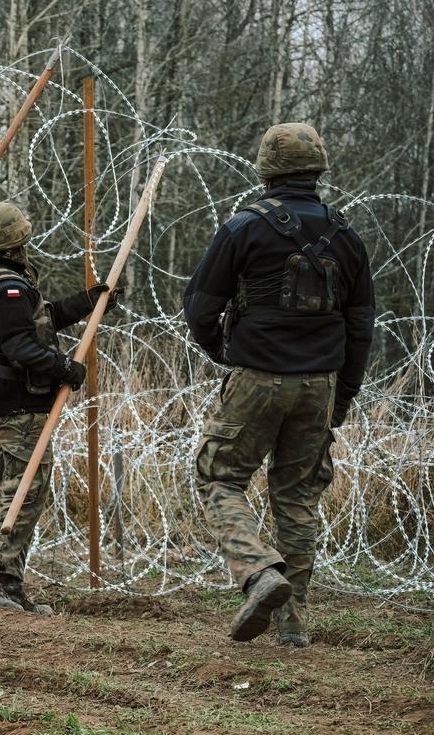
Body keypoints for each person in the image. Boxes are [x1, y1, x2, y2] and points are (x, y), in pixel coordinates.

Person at [184, 122, 375, 645]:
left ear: (266, 169)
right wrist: (343, 397)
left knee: (218, 478)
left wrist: (224, 351)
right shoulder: (347, 235)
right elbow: (361, 327)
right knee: (297, 496)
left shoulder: (244, 227)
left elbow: (201, 307)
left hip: (258, 376)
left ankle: (258, 571)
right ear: (319, 169)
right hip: (321, 382)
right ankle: (293, 627)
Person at [0, 202, 117, 614]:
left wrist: (87, 303)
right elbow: (22, 346)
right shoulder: (9, 288)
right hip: (14, 406)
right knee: (23, 494)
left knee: (9, 493)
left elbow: (38, 321)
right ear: (15, 244)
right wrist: (66, 369)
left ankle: (6, 584)